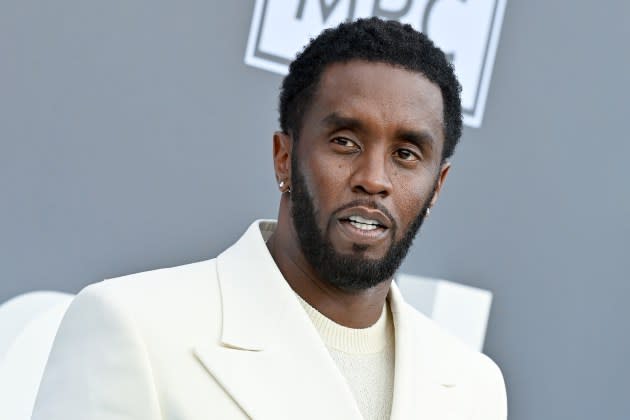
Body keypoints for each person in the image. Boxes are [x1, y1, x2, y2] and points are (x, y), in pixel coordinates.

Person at [32, 17, 506, 420]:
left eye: (406, 153)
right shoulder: (134, 326)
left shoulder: (473, 388)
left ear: (436, 187)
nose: (373, 178)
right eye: (345, 141)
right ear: (284, 157)